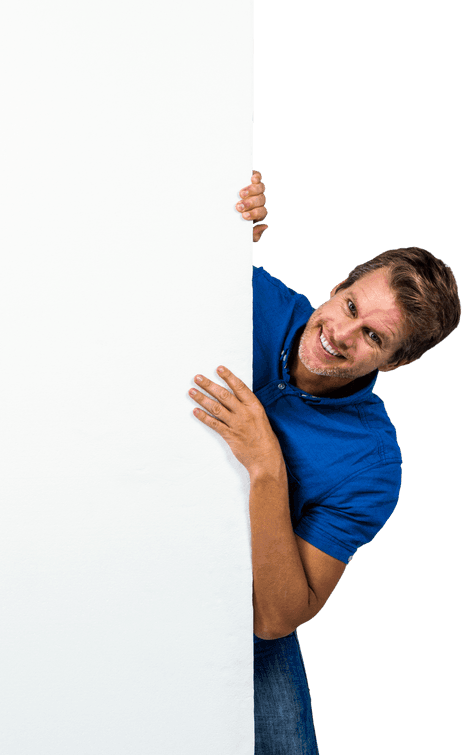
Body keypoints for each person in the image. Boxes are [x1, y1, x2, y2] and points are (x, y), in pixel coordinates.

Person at [192, 173, 460, 754]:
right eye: (350, 305)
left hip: (239, 609)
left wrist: (267, 467)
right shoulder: (244, 292)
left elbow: (276, 617)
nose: (339, 333)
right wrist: (210, 214)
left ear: (396, 363)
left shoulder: (371, 465)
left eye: (373, 337)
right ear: (338, 285)